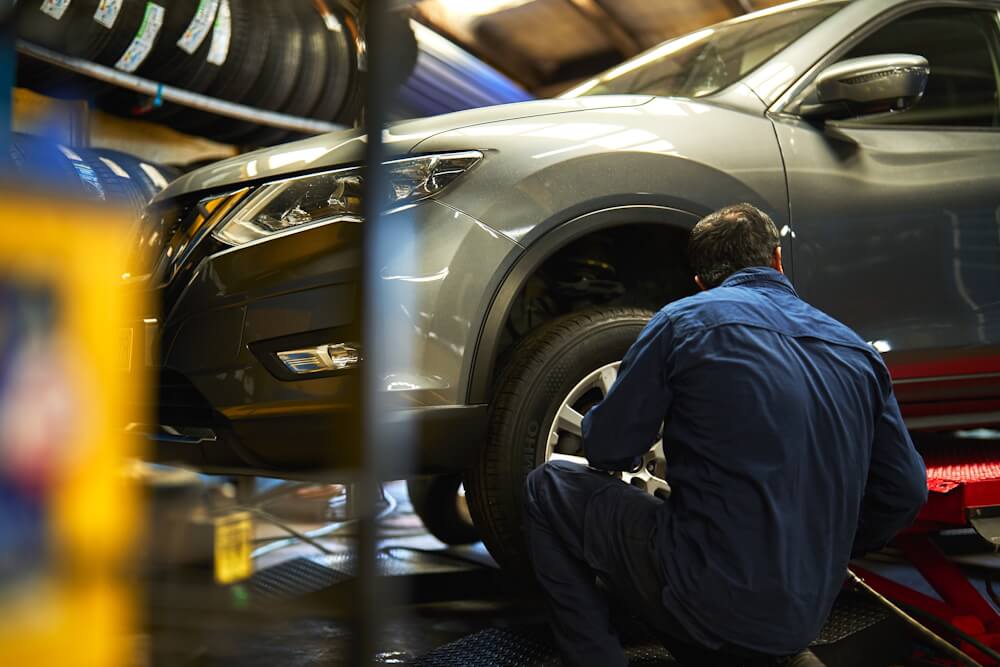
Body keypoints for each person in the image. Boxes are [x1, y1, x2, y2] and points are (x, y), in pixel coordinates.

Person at [523, 203, 928, 667]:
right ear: (777, 259)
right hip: (805, 611)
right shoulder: (857, 352)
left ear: (700, 281)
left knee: (547, 488)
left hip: (707, 596)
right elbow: (905, 493)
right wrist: (819, 545)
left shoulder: (683, 322)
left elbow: (609, 448)